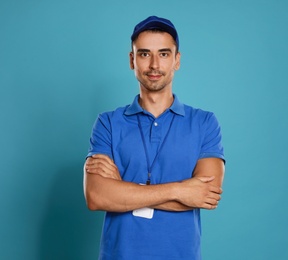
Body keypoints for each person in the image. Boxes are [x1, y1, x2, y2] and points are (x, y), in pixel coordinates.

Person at [83, 15, 225, 260]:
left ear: (177, 60)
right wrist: (181, 190)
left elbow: (206, 194)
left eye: (164, 54)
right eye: (145, 54)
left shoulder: (204, 122)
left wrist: (123, 190)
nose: (154, 65)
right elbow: (97, 197)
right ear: (132, 60)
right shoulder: (107, 122)